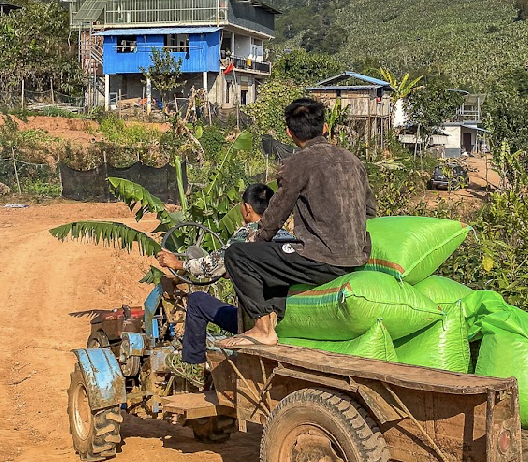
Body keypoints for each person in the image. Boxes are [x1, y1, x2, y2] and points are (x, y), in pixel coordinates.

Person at [217, 98, 377, 349]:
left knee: (238, 255)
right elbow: (370, 210)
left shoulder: (297, 163)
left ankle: (263, 328)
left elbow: (274, 216)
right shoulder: (352, 161)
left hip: (321, 260)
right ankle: (273, 316)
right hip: (357, 256)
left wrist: (255, 242)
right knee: (277, 255)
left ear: (289, 133)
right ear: (325, 127)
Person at [155, 183, 292, 365]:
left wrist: (178, 263)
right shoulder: (286, 236)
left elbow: (214, 264)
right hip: (283, 312)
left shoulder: (249, 233)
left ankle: (194, 364)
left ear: (247, 208)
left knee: (196, 300)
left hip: (256, 319)